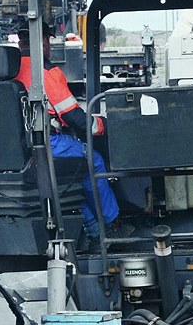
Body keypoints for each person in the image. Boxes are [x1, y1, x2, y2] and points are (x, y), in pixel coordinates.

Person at [14, 22, 120, 239]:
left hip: (17, 149)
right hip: (46, 144)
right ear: (43, 41)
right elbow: (74, 117)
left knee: (73, 177)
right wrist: (104, 126)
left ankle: (94, 231)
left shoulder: (9, 70)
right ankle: (112, 223)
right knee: (92, 160)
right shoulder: (43, 72)